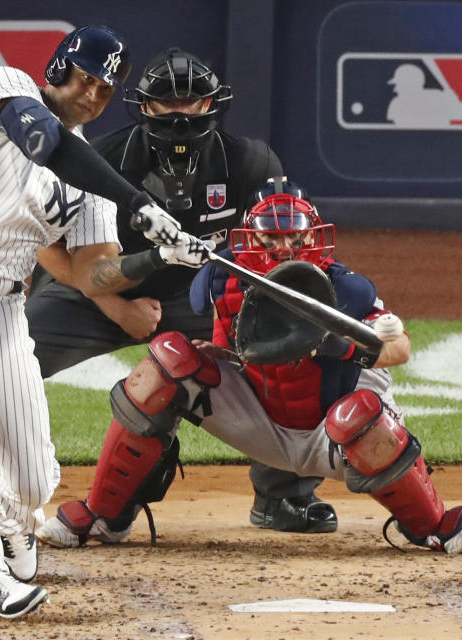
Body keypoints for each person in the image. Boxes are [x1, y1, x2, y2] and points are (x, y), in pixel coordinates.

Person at [0, 25, 210, 619]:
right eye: (85, 77)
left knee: (33, 476)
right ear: (58, 68)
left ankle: (9, 521)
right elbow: (45, 139)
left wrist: (158, 254)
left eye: (105, 89)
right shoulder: (2, 88)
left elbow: (93, 276)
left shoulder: (92, 191)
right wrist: (140, 203)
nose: (92, 94)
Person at [35, 180, 462, 557]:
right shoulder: (221, 278)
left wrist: (343, 348)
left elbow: (399, 347)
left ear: (313, 237)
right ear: (251, 238)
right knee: (167, 359)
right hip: (259, 418)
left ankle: (431, 524)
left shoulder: (343, 287)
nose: (284, 248)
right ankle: (104, 516)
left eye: (295, 237)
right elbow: (220, 343)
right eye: (271, 238)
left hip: (330, 432)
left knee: (362, 415)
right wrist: (212, 355)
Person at [23, 49, 338, 548]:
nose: (178, 112)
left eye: (190, 102)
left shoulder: (250, 161)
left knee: (284, 336)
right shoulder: (102, 158)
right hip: (97, 288)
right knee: (6, 356)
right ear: (143, 107)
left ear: (213, 104)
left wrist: (260, 314)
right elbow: (46, 245)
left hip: (203, 296)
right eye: (166, 102)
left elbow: (277, 251)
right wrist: (119, 310)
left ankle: (283, 494)